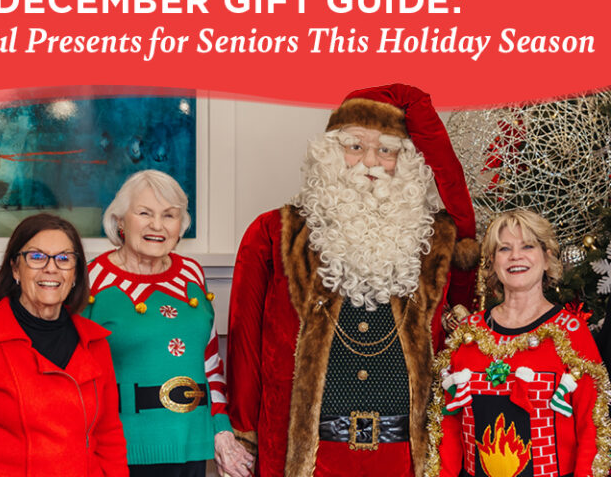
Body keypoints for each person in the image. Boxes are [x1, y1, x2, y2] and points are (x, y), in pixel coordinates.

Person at [226, 84, 481, 477]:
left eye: (387, 150)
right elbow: (244, 343)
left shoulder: (433, 242)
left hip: (404, 459)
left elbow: (462, 214)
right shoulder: (273, 234)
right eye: (355, 146)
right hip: (310, 458)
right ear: (330, 153)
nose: (370, 162)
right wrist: (243, 434)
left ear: (407, 162)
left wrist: (416, 106)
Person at [0, 213, 128, 476]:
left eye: (64, 258)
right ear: (15, 268)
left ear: (76, 273)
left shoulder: (95, 343)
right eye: (37, 257)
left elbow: (109, 437)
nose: (51, 268)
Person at [82, 170, 254, 477]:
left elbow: (210, 364)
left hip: (191, 445)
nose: (157, 225)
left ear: (180, 225)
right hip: (119, 451)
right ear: (120, 221)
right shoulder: (93, 279)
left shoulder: (192, 274)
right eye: (144, 213)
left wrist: (221, 429)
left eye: (169, 215)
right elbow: (75, 374)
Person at [426, 210, 611, 477]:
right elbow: (448, 432)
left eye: (528, 246)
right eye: (504, 248)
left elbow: (593, 430)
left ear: (546, 258)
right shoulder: (468, 335)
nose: (515, 256)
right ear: (492, 261)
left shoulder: (571, 332)